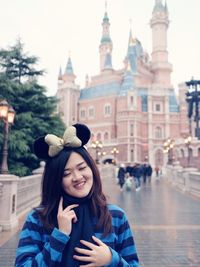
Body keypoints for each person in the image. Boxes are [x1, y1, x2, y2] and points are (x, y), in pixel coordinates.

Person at [14, 123, 139, 267]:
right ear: (55, 179)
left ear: (91, 168)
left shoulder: (115, 216)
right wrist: (59, 237)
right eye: (66, 173)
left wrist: (111, 260)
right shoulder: (38, 218)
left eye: (82, 168)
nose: (77, 177)